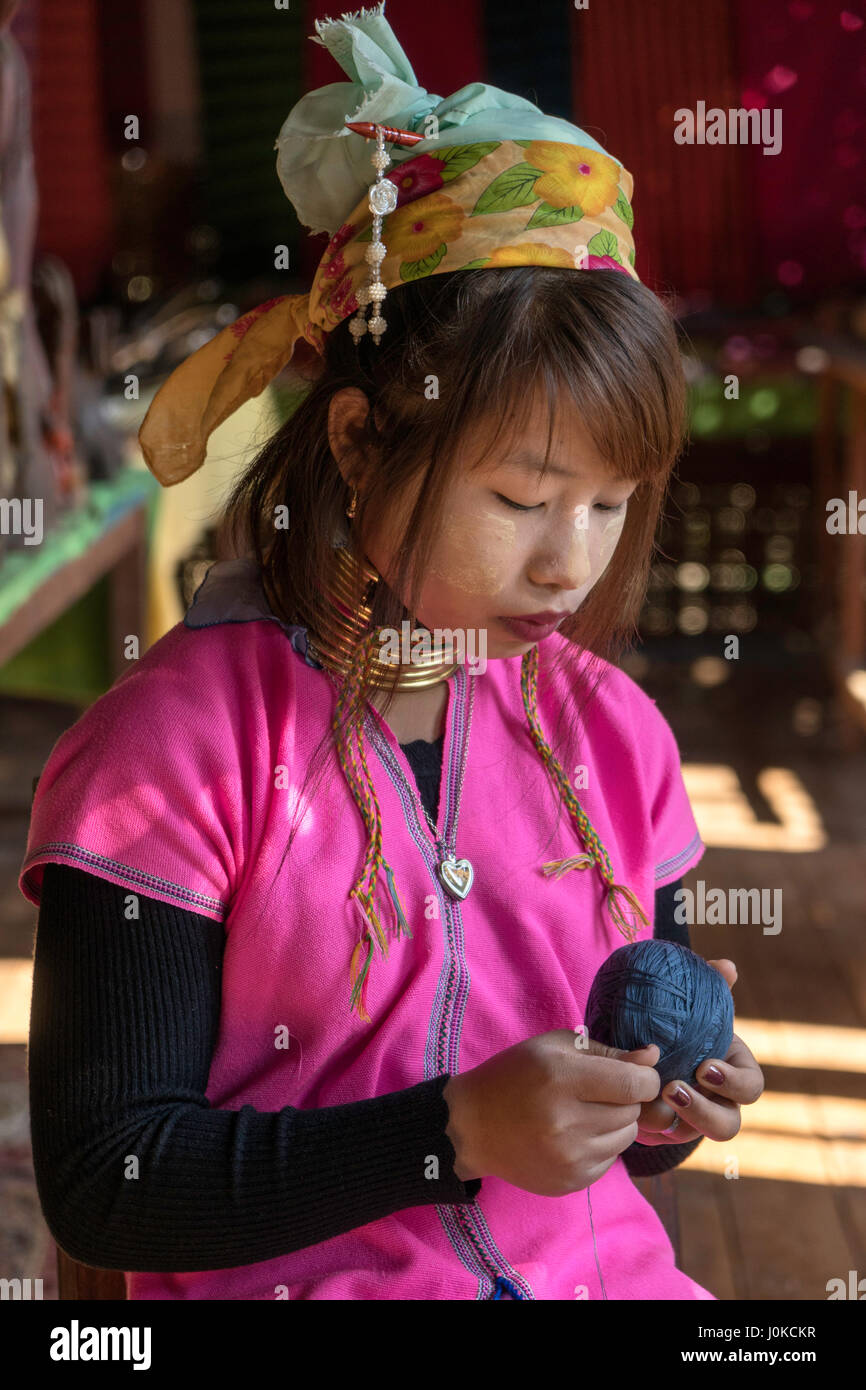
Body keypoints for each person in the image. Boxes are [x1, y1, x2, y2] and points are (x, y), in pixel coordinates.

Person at [20, 2, 763, 1300]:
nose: (569, 559)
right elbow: (107, 1177)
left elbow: (607, 1169)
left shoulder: (616, 742)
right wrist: (452, 1133)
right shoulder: (172, 755)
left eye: (607, 502)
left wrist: (655, 1115)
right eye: (523, 499)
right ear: (360, 443)